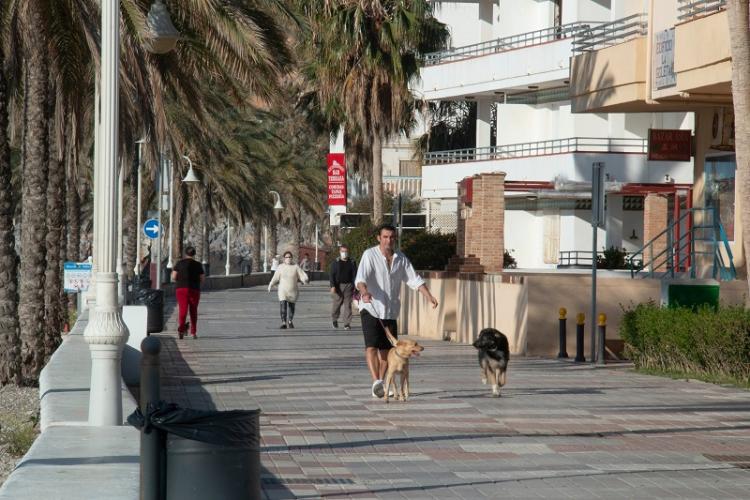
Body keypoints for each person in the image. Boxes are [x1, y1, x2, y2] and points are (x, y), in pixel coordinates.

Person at [355, 224, 438, 398]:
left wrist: (428, 296)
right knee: (371, 346)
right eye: (385, 237)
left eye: (392, 237)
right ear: (379, 238)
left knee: (387, 350)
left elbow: (414, 279)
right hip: (370, 307)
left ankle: (382, 382)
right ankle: (376, 382)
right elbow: (361, 279)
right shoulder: (369, 255)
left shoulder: (401, 258)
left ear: (395, 238)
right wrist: (364, 292)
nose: (388, 240)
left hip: (391, 310)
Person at [268, 251, 309, 329]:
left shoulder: (295, 267)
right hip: (282, 290)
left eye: (290, 257)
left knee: (291, 306)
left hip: (293, 290)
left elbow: (302, 275)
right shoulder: (280, 267)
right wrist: (271, 284)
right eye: (287, 257)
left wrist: (305, 279)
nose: (288, 258)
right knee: (283, 305)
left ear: (292, 258)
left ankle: (290, 321)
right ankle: (283, 322)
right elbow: (275, 277)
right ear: (284, 258)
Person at [171, 246, 205, 339]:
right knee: (193, 311)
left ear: (185, 254)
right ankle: (193, 332)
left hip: (181, 289)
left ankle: (181, 330)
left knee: (183, 310)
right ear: (194, 254)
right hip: (194, 289)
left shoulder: (179, 263)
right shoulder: (198, 265)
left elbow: (173, 277)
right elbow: (202, 279)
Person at [330, 245, 357, 330]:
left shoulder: (352, 262)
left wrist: (355, 285)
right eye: (342, 251)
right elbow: (332, 275)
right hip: (338, 286)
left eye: (345, 251)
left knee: (348, 305)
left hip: (349, 286)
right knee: (337, 304)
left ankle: (347, 323)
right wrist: (333, 286)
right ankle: (334, 319)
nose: (344, 253)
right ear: (339, 251)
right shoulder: (336, 262)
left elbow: (355, 274)